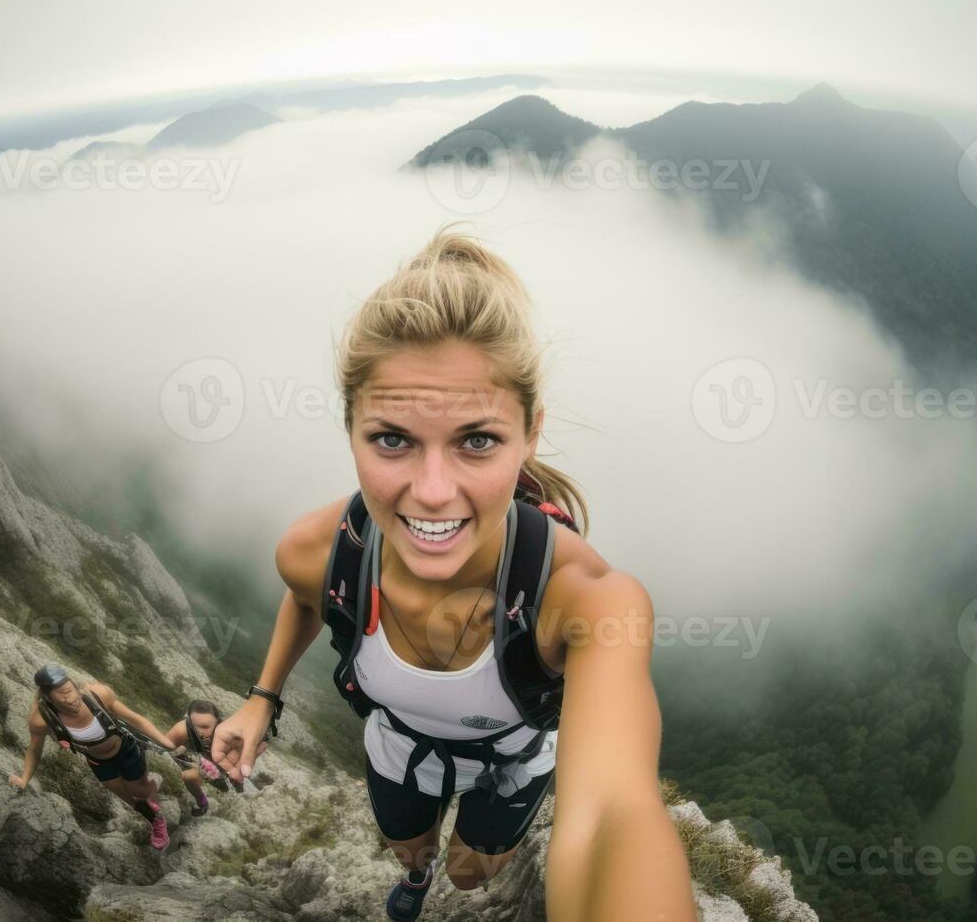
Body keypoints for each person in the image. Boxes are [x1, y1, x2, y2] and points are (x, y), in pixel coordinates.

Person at [210, 227, 696, 920]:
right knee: (409, 849)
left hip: (510, 761)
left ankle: (448, 877)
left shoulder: (583, 599)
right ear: (348, 428)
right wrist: (263, 698)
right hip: (398, 745)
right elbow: (303, 599)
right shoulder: (318, 551)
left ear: (529, 434)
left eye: (476, 440)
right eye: (391, 439)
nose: (433, 491)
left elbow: (611, 816)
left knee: (469, 875)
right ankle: (414, 878)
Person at [9, 665, 177, 852]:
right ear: (47, 697)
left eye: (70, 691)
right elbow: (34, 751)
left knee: (137, 788)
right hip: (98, 762)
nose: (71, 699)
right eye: (62, 696)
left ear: (74, 684)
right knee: (127, 798)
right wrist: (24, 779)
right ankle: (156, 821)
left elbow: (135, 719)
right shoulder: (42, 719)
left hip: (126, 749)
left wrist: (167, 743)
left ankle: (150, 789)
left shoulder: (99, 695)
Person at [160, 699, 243, 816]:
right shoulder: (181, 730)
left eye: (205, 726)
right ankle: (202, 803)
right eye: (195, 725)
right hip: (191, 762)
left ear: (217, 723)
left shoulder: (228, 738)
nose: (199, 731)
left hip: (221, 773)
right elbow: (161, 750)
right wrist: (181, 751)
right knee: (189, 776)